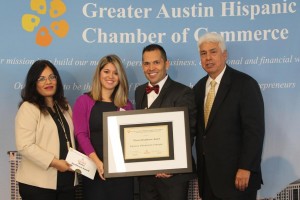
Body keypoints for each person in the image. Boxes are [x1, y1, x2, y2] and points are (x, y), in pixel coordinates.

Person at [193, 32, 265, 200]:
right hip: (208, 180)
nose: (208, 58)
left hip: (237, 178)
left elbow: (254, 131)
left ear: (224, 54)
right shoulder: (197, 89)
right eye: (203, 54)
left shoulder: (245, 84)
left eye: (213, 51)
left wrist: (246, 167)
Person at [135, 44, 197, 200]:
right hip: (146, 177)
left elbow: (188, 132)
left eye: (156, 62)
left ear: (166, 64)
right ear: (142, 66)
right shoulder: (139, 91)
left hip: (173, 178)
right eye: (146, 63)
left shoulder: (183, 92)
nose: (151, 68)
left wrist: (171, 165)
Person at [72, 54, 134, 200]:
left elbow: (130, 138)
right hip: (94, 170)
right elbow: (81, 135)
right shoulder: (84, 101)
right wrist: (98, 163)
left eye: (116, 72)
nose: (110, 76)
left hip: (122, 173)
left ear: (120, 77)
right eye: (106, 71)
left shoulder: (126, 105)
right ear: (99, 74)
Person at [15, 60, 77, 200]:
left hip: (67, 181)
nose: (48, 82)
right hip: (38, 185)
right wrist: (55, 162)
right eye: (41, 79)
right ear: (33, 83)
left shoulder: (64, 107)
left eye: (51, 77)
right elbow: (25, 146)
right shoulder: (29, 108)